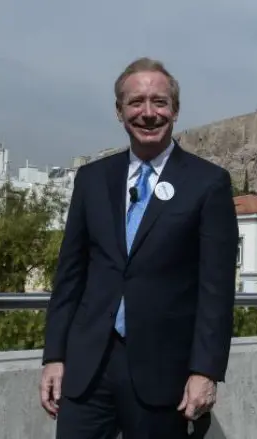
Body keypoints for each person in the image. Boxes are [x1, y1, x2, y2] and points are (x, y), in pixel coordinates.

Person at [39, 57, 239, 439]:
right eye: (136, 102)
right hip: (87, 372)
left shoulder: (208, 184)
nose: (148, 113)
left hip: (164, 375)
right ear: (119, 111)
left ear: (175, 110)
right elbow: (69, 277)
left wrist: (205, 371)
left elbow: (215, 291)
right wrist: (54, 356)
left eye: (159, 102)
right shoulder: (92, 180)